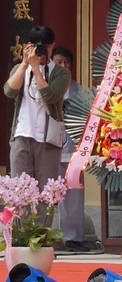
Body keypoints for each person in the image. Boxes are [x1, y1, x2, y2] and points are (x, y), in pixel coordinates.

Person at [3, 26, 70, 217]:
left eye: (46, 48)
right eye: (36, 47)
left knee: (44, 194)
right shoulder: (20, 68)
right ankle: (20, 240)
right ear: (29, 46)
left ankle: (42, 241)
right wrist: (25, 64)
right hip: (21, 135)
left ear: (52, 46)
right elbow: (9, 91)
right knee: (19, 191)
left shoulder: (60, 73)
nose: (41, 53)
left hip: (47, 139)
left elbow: (50, 96)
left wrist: (37, 69)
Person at [51, 46, 90, 253]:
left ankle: (72, 238)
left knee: (73, 190)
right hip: (48, 146)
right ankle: (40, 235)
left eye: (67, 63)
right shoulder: (44, 86)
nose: (64, 66)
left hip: (73, 148)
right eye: (59, 62)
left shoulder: (79, 90)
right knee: (45, 190)